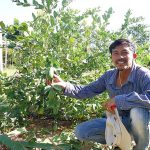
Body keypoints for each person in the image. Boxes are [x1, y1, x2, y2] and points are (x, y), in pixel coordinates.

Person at [48, 39, 150, 150]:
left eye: (125, 53)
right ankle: (120, 143)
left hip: (142, 124)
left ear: (134, 56)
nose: (120, 57)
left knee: (138, 112)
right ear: (112, 57)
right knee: (81, 131)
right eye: (115, 53)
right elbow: (86, 90)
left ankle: (140, 147)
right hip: (118, 121)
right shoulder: (109, 76)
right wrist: (64, 86)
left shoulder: (143, 74)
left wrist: (119, 100)